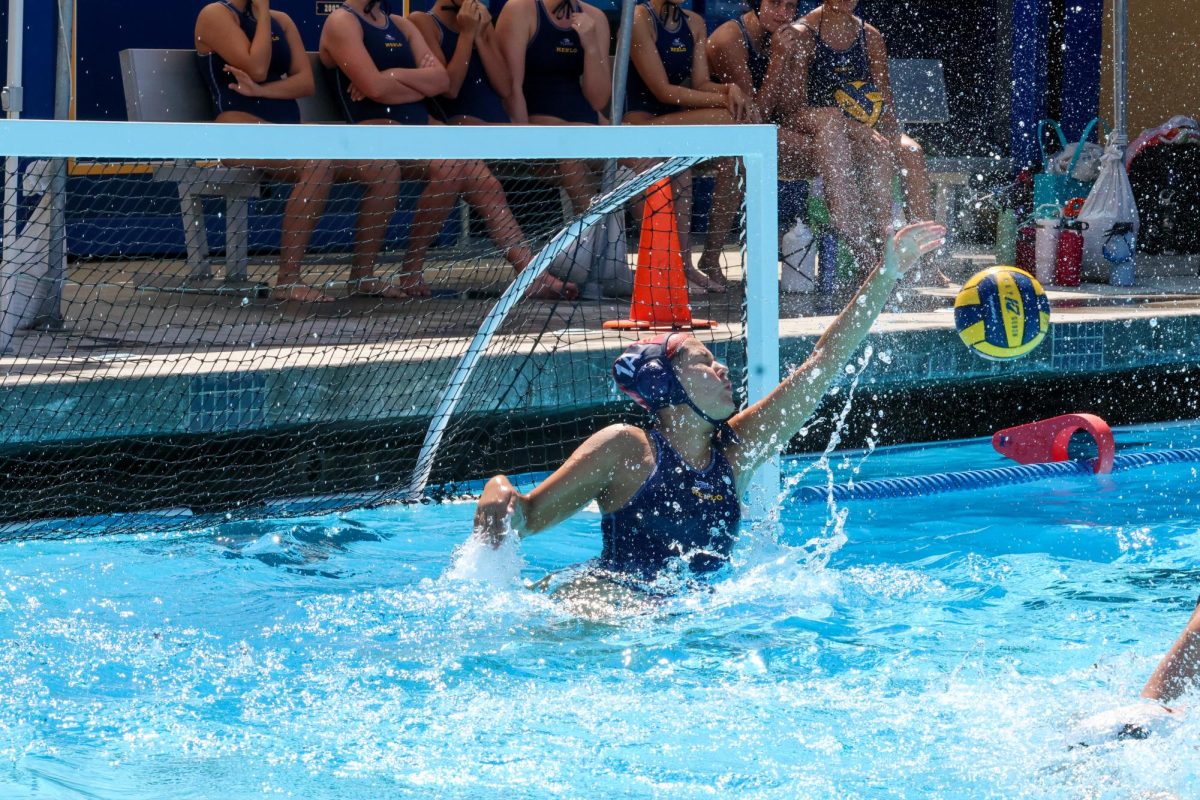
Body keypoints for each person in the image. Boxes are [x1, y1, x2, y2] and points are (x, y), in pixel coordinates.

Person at [473, 220, 945, 616]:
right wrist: (498, 490)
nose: (722, 368)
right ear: (666, 385)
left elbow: (822, 364)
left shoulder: (736, 453)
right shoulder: (625, 448)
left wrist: (885, 274)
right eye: (702, 362)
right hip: (608, 599)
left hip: (693, 612)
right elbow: (530, 518)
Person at [320, 0, 576, 299]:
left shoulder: (400, 25)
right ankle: (374, 274)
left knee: (486, 184)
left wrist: (392, 75)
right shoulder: (343, 22)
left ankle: (531, 274)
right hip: (376, 129)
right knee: (449, 164)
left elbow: (440, 79)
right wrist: (410, 82)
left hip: (419, 129)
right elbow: (375, 90)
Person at [195, 0, 404, 303]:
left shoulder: (284, 20)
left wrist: (262, 90)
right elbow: (256, 66)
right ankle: (288, 279)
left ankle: (363, 276)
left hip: (286, 134)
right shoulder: (215, 14)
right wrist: (263, 13)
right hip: (239, 131)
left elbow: (305, 83)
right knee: (317, 164)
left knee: (383, 169)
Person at [766, 0, 903, 278]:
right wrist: (856, 128)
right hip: (801, 124)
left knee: (878, 147)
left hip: (840, 135)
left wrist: (887, 139)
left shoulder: (870, 36)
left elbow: (886, 104)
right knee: (831, 119)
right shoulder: (802, 32)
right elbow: (789, 108)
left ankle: (883, 246)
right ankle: (850, 229)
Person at [622, 0, 748, 293]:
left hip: (672, 123)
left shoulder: (694, 23)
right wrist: (722, 99)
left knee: (730, 128)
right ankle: (671, 266)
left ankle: (685, 265)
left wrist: (729, 89)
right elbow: (663, 91)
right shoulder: (641, 17)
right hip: (640, 125)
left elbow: (702, 83)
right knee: (727, 119)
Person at [495, 0, 612, 217]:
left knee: (643, 158)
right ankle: (592, 233)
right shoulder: (520, 10)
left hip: (585, 119)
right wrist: (525, 144)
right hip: (539, 119)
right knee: (571, 154)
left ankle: (665, 246)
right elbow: (511, 90)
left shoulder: (595, 18)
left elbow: (598, 101)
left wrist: (592, 47)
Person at [410, 0, 512, 125]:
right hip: (459, 128)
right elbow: (450, 89)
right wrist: (467, 34)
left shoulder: (483, 23)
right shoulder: (422, 21)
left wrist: (480, 38)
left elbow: (505, 89)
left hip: (498, 127)